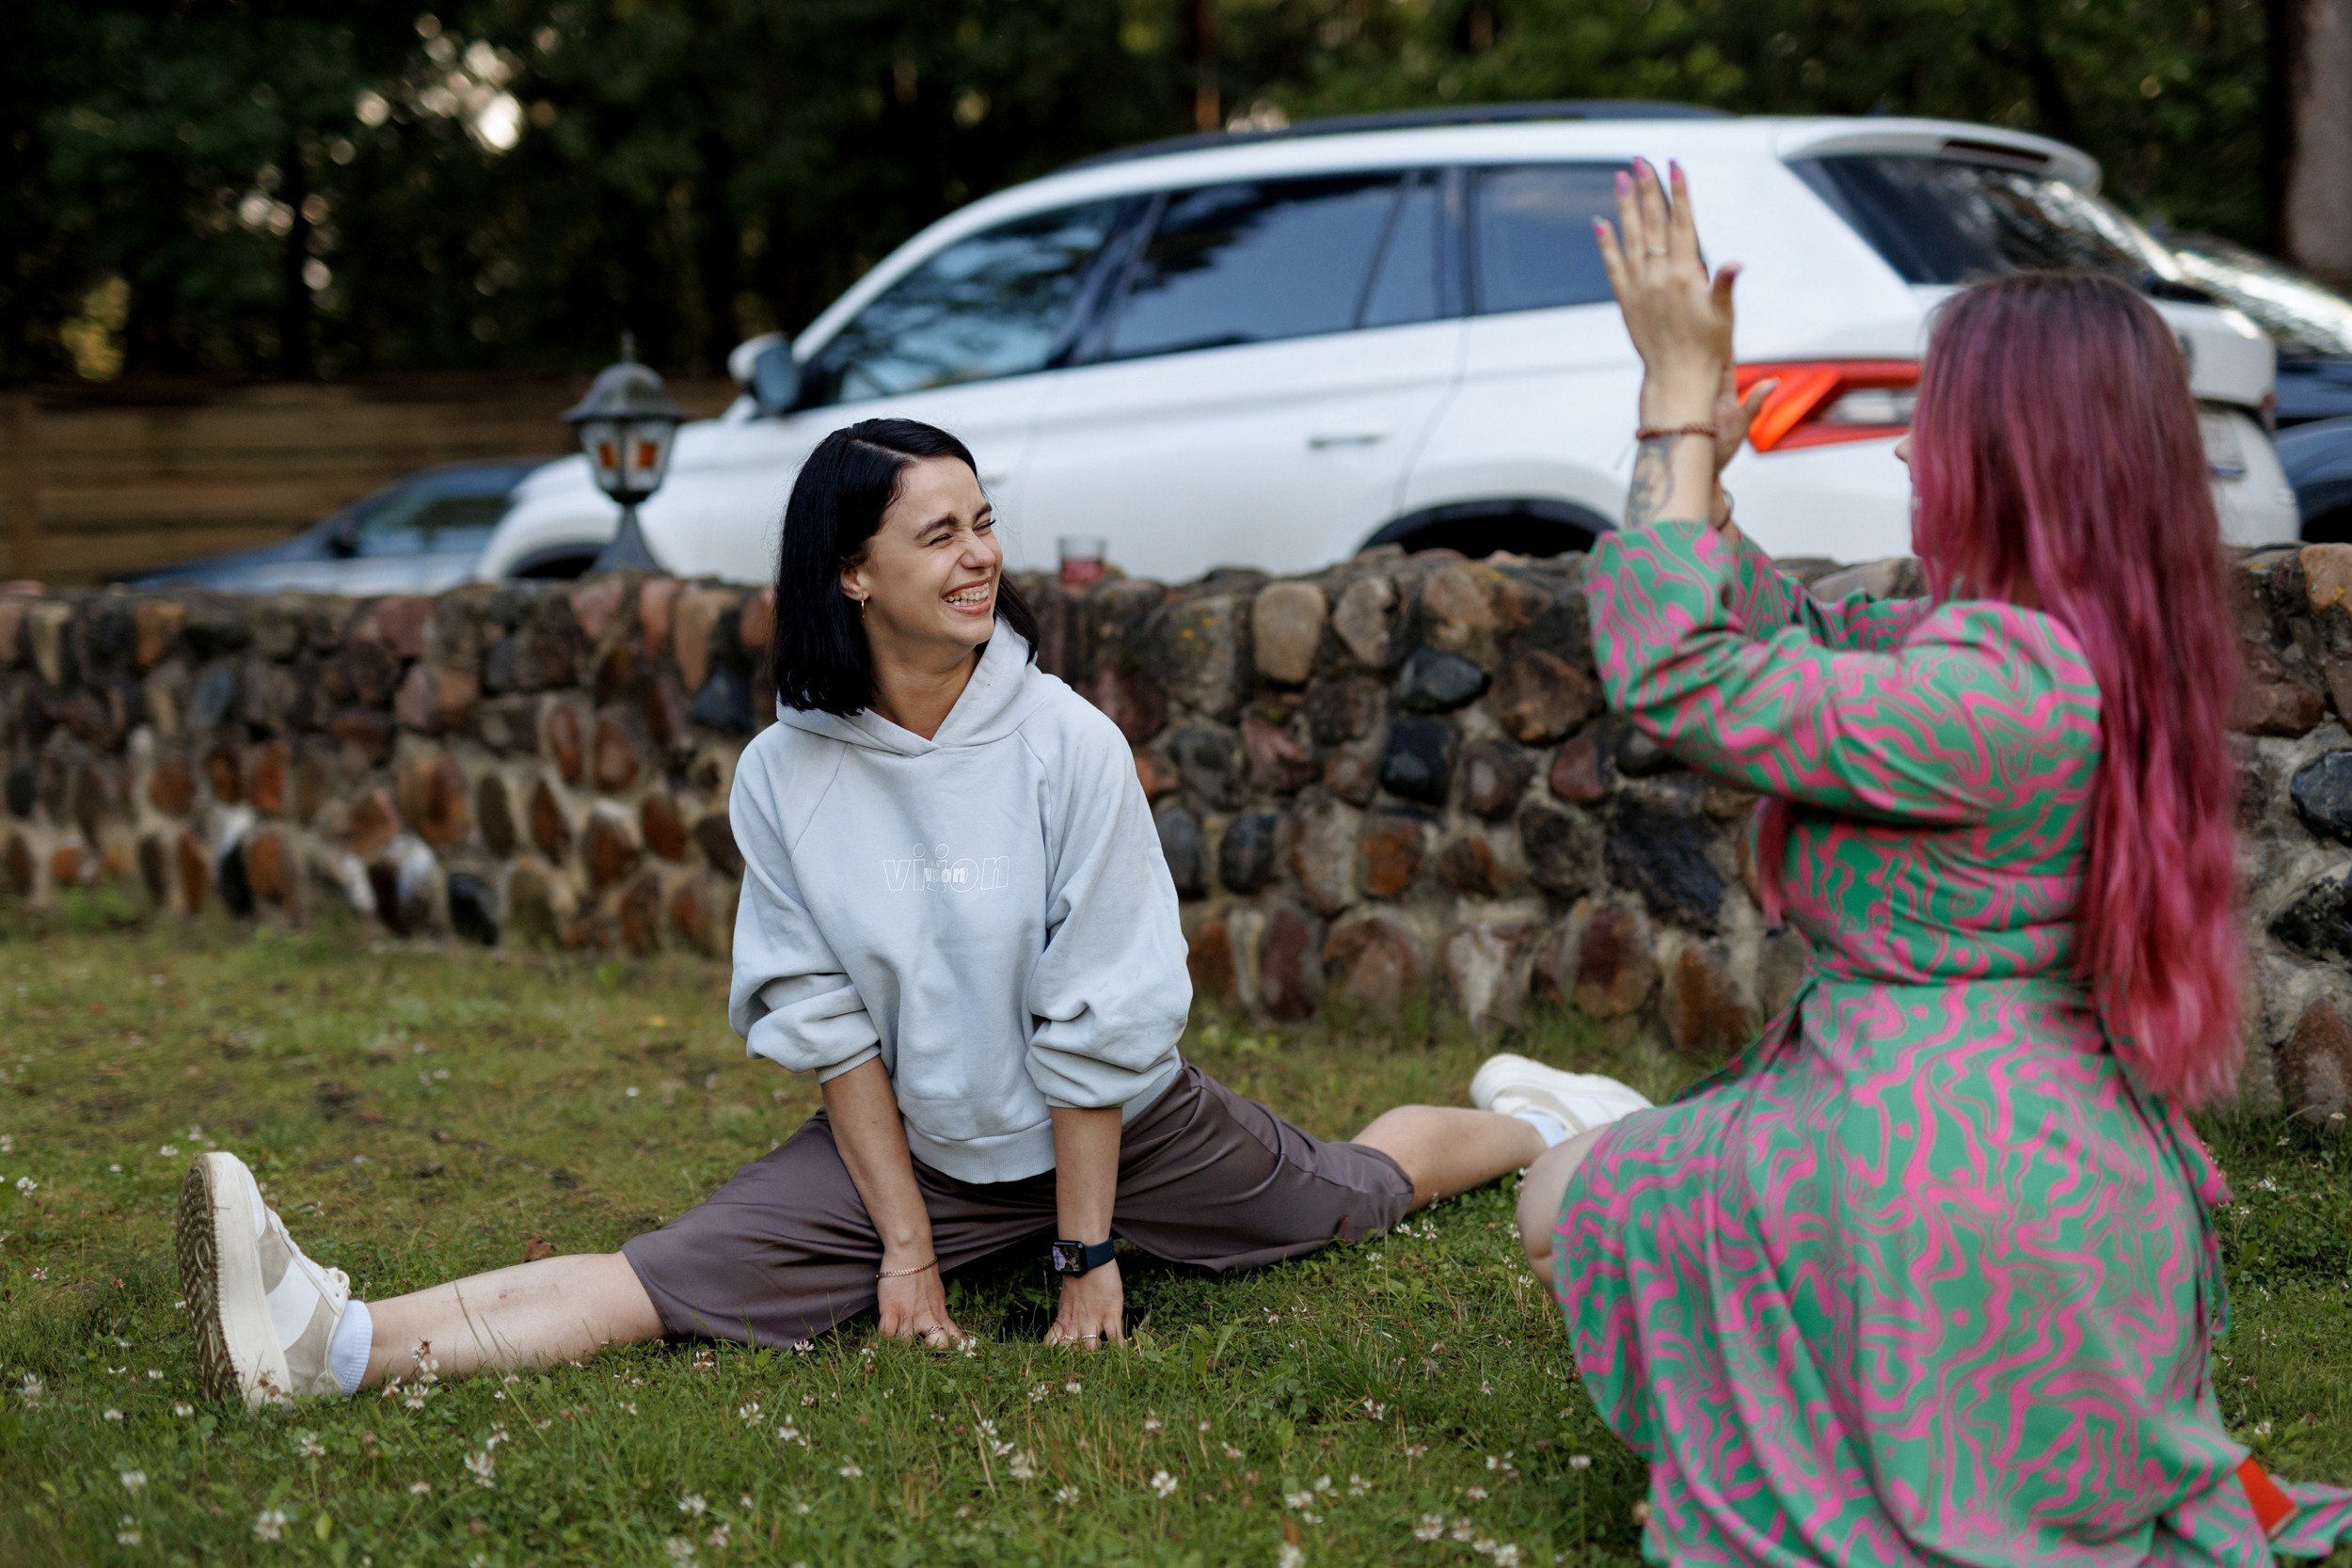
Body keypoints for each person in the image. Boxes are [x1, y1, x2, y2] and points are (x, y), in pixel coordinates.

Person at [174, 416, 1654, 1409]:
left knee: (1352, 1197)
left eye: (983, 525)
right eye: (936, 533)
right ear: (850, 569)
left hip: (1131, 1129)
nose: (976, 558)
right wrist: (900, 1242)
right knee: (663, 1279)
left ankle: (1548, 1115)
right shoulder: (787, 775)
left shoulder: (1066, 739)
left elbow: (1101, 1024)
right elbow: (830, 1027)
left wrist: (1082, 1257)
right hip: (925, 1152)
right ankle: (336, 1340)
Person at [1513, 157, 2352, 1562]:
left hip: (1937, 1187)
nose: (1909, 453)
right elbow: (1796, 650)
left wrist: (1670, 405)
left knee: (1561, 1201)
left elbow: (1678, 678)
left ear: (2010, 460)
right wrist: (1701, 478)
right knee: (1603, 1166)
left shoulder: (2005, 691)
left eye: (1931, 422)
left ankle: (1839, 1430)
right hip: (2043, 1163)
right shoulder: (2069, 652)